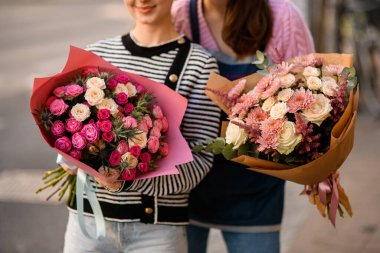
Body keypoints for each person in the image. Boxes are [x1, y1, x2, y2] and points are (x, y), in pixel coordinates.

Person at [58, 0, 221, 252]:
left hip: (156, 232)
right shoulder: (98, 53)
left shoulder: (199, 64)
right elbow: (66, 127)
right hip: (87, 225)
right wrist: (68, 155)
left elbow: (199, 163)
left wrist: (126, 179)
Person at [171, 0, 315, 252]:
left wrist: (320, 167)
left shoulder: (282, 16)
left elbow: (311, 97)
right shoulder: (181, 13)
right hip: (187, 185)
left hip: (256, 193)